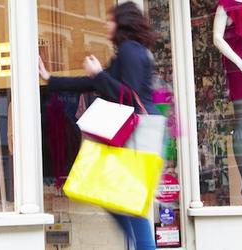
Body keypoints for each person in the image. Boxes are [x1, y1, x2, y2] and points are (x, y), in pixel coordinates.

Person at [39, 2, 158, 250]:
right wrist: (51, 79)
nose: (106, 24)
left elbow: (128, 95)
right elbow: (93, 83)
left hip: (135, 134)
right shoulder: (129, 51)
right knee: (117, 200)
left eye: (110, 20)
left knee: (128, 204)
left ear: (122, 23)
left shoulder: (130, 51)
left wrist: (98, 75)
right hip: (131, 133)